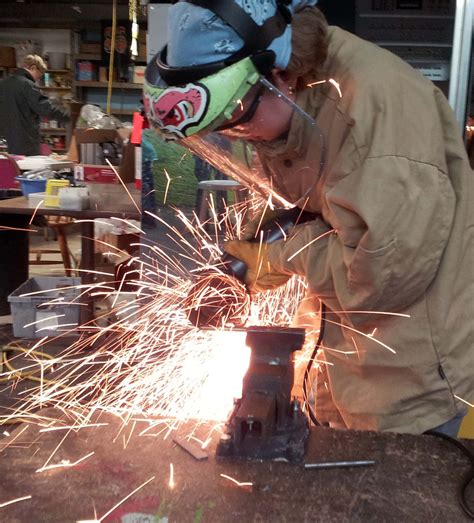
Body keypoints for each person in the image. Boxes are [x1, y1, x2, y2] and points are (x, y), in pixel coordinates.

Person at [143, 1, 473, 437]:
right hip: (345, 362)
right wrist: (253, 248)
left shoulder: (373, 114)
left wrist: (279, 257)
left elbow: (379, 276)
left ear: (281, 74)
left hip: (417, 385)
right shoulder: (292, 103)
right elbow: (311, 200)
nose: (233, 133)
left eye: (238, 119)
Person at [0, 54, 69, 156]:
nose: (37, 80)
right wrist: (68, 117)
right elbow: (45, 107)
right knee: (27, 169)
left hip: (5, 139)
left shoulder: (3, 84)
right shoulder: (27, 85)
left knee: (9, 168)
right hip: (24, 140)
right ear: (33, 68)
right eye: (39, 75)